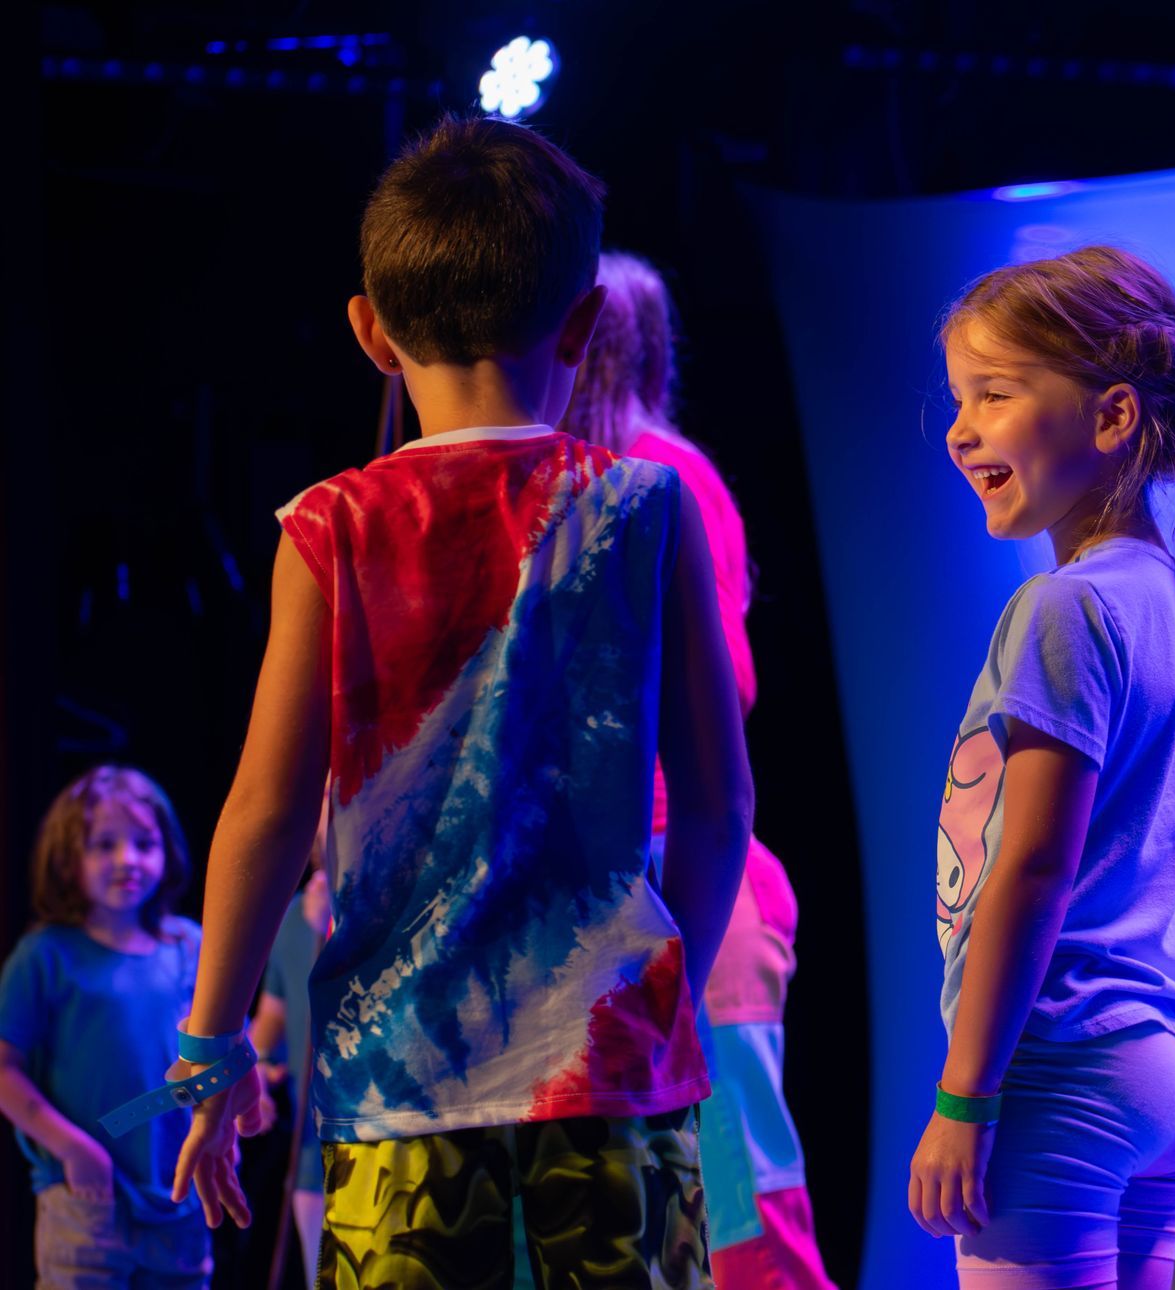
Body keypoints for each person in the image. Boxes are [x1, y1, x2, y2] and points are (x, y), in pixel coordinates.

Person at [153, 115, 753, 1289]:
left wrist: (209, 1052)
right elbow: (723, 799)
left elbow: (269, 815)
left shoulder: (329, 527)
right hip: (611, 1064)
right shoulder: (647, 509)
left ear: (371, 334)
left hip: (400, 1086)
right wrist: (660, 978)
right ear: (585, 324)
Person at [913, 245, 1175, 1289]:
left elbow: (1035, 866)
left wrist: (965, 1097)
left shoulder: (1068, 605)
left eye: (995, 394)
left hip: (1071, 1063)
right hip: (1170, 1071)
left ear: (1112, 417)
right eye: (960, 398)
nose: (962, 428)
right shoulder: (1174, 598)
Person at [561, 249, 837, 1289]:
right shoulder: (569, 478)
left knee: (739, 1207)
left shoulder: (661, 472)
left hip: (693, 879)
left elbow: (726, 686)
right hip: (614, 881)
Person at [0, 766, 212, 1287]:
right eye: (104, 844)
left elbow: (224, 1042)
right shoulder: (44, 956)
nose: (127, 860)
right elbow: (4, 1071)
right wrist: (75, 1148)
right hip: (85, 1199)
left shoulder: (189, 946)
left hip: (179, 1199)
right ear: (68, 859)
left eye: (144, 842)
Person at [249, 863, 330, 1286]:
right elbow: (274, 1011)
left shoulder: (384, 901)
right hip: (311, 1153)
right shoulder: (294, 916)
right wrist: (258, 1065)